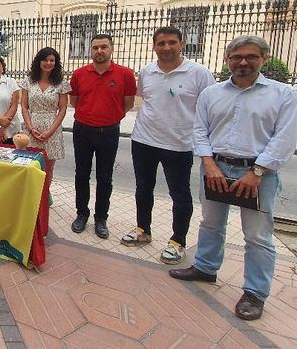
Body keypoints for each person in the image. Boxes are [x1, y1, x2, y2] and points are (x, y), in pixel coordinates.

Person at [170, 36, 297, 321]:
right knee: (211, 223)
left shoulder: (283, 95)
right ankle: (205, 267)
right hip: (215, 168)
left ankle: (255, 292)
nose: (243, 62)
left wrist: (258, 172)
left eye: (250, 57)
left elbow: (285, 138)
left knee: (257, 236)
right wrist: (209, 164)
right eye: (237, 57)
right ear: (228, 60)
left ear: (263, 58)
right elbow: (199, 130)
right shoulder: (212, 94)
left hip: (258, 175)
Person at [122, 27, 215, 264]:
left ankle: (178, 241)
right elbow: (146, 99)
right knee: (143, 188)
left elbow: (210, 107)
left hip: (179, 144)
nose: (166, 48)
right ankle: (143, 229)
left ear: (181, 44)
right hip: (144, 140)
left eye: (171, 42)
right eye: (161, 43)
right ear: (154, 46)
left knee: (180, 194)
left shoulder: (199, 73)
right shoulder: (147, 72)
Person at [69, 34, 136, 239]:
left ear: (111, 49)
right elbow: (74, 101)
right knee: (81, 174)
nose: (99, 51)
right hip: (82, 130)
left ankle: (101, 218)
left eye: (103, 47)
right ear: (91, 50)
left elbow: (128, 103)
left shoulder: (125, 74)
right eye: (95, 47)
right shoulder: (79, 74)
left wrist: (110, 117)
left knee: (105, 177)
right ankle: (82, 214)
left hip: (109, 132)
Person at [20, 47, 71, 167]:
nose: (48, 63)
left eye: (52, 60)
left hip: (51, 129)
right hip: (32, 128)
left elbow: (63, 109)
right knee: (29, 166)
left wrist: (50, 132)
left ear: (56, 63)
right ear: (39, 61)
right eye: (45, 60)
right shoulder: (28, 82)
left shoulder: (61, 83)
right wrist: (31, 128)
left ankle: (46, 187)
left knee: (48, 168)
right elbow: (24, 106)